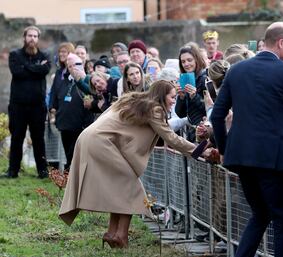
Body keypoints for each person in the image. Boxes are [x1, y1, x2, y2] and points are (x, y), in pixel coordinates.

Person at [210, 21, 283, 257]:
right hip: (274, 160)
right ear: (281, 42)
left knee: (261, 215)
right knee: (282, 219)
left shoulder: (237, 70)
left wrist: (225, 149)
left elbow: (217, 116)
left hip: (242, 156)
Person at [59, 80, 197, 248]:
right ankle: (121, 236)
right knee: (131, 188)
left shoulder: (132, 100)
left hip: (90, 137)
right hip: (101, 142)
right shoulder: (155, 109)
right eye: (172, 97)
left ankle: (112, 233)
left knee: (120, 188)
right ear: (161, 96)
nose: (174, 101)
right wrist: (198, 150)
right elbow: (171, 138)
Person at [6, 25, 51, 179]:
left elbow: (44, 70)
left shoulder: (45, 55)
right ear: (24, 37)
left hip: (37, 106)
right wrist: (36, 68)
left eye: (35, 36)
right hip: (18, 105)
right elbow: (17, 72)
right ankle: (13, 171)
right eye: (30, 36)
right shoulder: (15, 55)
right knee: (17, 137)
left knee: (38, 139)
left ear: (38, 39)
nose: (32, 39)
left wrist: (27, 67)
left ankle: (43, 172)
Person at [49, 53, 94, 170]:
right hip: (64, 124)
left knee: (75, 155)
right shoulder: (64, 80)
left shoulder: (89, 80)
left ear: (82, 64)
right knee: (68, 154)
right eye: (70, 66)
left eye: (76, 64)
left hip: (80, 125)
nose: (73, 68)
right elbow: (56, 97)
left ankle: (70, 177)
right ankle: (68, 178)